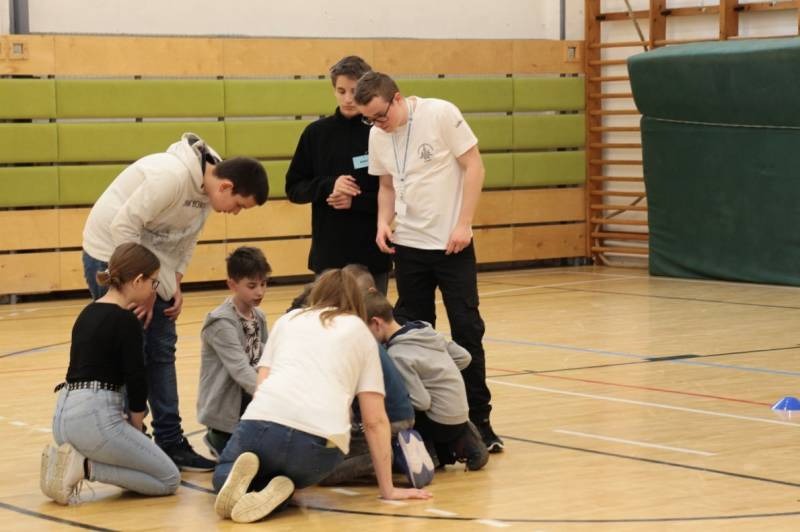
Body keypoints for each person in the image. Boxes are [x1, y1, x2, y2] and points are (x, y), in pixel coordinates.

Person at [81, 132, 269, 471]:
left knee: (162, 349)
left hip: (150, 262)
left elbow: (185, 241)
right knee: (133, 350)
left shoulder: (208, 189)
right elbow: (123, 227)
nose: (236, 213)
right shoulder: (170, 177)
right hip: (111, 254)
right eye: (239, 205)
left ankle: (170, 441)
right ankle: (130, 439)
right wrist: (147, 288)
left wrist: (174, 282)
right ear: (226, 187)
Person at [354, 72, 504, 452]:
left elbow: (474, 166)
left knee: (467, 331)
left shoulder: (440, 114)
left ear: (397, 98)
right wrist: (382, 222)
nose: (378, 124)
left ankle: (480, 422)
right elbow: (386, 185)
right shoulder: (378, 135)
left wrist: (464, 224)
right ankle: (428, 427)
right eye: (370, 119)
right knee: (412, 336)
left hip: (452, 246)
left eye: (381, 115)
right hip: (409, 247)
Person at [212, 269, 431, 524]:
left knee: (223, 475)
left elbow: (261, 387)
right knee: (299, 475)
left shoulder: (288, 320)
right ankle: (284, 488)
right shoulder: (360, 332)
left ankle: (258, 484)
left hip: (262, 423)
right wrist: (388, 489)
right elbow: (375, 421)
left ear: (316, 294)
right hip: (318, 442)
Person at [41, 243, 180, 505]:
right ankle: (85, 468)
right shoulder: (126, 320)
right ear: (138, 280)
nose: (154, 289)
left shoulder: (87, 312)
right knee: (169, 478)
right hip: (92, 419)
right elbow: (137, 381)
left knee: (141, 463)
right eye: (153, 282)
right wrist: (136, 430)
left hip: (62, 419)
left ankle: (76, 462)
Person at [318, 264, 432, 489]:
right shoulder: (354, 330)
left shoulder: (351, 335)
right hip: (396, 416)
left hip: (388, 419)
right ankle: (396, 449)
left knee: (321, 474)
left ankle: (388, 455)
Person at [286, 55, 392, 294]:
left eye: (354, 91)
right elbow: (294, 189)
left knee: (372, 317)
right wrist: (329, 185)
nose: (348, 99)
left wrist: (355, 202)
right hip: (328, 257)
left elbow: (394, 193)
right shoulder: (315, 134)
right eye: (341, 91)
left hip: (371, 255)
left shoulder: (381, 132)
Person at [364, 290, 488, 471]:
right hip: (460, 411)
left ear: (376, 323)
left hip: (440, 422)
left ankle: (431, 455)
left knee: (398, 410)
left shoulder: (397, 354)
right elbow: (464, 357)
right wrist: (439, 375)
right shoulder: (425, 330)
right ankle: (464, 440)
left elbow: (422, 402)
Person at [198, 246, 271, 458]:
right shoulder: (221, 323)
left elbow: (267, 358)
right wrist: (271, 395)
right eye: (252, 286)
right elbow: (240, 370)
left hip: (251, 396)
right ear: (232, 284)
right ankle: (216, 436)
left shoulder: (259, 316)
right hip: (228, 407)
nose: (260, 292)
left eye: (264, 284)